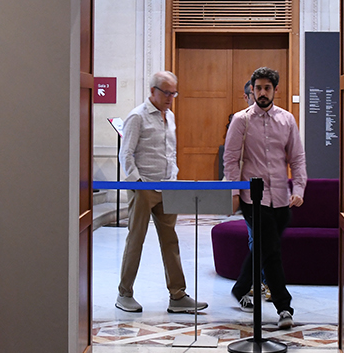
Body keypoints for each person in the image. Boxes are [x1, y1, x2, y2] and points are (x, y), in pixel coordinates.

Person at [114, 71, 206, 315]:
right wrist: (138, 183)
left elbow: (169, 151)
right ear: (152, 91)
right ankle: (124, 293)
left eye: (174, 93)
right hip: (144, 187)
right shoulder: (137, 116)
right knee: (136, 240)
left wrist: (173, 175)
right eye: (166, 92)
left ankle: (178, 295)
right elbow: (126, 154)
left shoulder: (170, 116)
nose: (170, 98)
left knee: (170, 241)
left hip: (167, 187)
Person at [223, 66, 307, 330]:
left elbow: (297, 158)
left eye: (267, 88)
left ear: (275, 90)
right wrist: (234, 193)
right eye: (257, 88)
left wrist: (299, 189)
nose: (262, 92)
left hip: (281, 197)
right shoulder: (241, 120)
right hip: (253, 198)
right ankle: (284, 307)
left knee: (263, 247)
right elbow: (230, 159)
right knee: (271, 251)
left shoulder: (287, 120)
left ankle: (240, 288)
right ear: (252, 89)